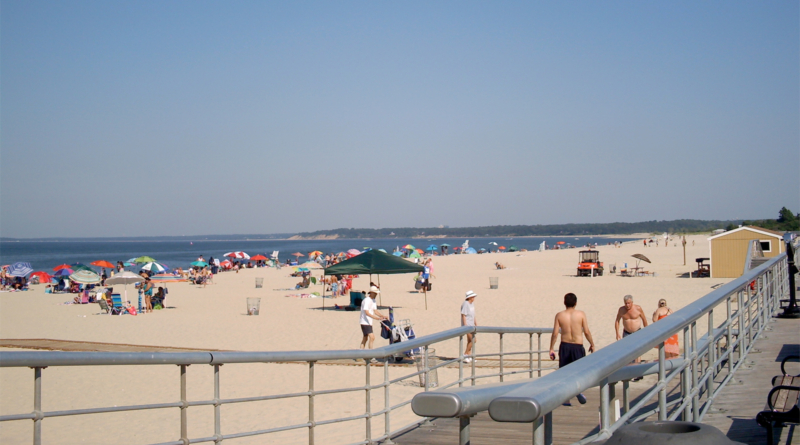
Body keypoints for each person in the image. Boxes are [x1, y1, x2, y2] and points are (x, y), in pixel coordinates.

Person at [549, 292, 595, 405]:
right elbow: (587, 331)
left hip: (565, 345)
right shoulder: (581, 314)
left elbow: (555, 333)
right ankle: (578, 391)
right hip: (577, 346)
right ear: (576, 303)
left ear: (564, 303)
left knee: (564, 372)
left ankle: (566, 398)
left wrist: (551, 348)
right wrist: (592, 344)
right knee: (578, 371)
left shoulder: (559, 315)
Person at [615, 295, 649, 363]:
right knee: (628, 351)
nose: (627, 305)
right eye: (626, 303)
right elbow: (617, 321)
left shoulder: (638, 308)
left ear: (632, 302)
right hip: (627, 333)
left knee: (638, 351)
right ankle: (631, 367)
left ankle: (637, 366)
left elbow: (644, 320)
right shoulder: (621, 310)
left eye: (629, 303)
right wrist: (617, 333)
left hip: (637, 332)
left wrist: (647, 331)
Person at [359, 286, 388, 357]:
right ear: (371, 293)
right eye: (375, 293)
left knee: (365, 338)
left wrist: (382, 316)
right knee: (372, 337)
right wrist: (376, 318)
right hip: (364, 322)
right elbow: (367, 312)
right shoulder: (366, 300)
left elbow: (375, 311)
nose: (376, 295)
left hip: (369, 322)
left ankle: (360, 354)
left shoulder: (373, 300)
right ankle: (371, 355)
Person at [461, 291, 478, 362]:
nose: (474, 298)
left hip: (472, 324)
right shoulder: (465, 304)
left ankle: (469, 354)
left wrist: (475, 323)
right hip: (467, 325)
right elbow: (463, 315)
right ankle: (465, 354)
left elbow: (473, 315)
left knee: (469, 341)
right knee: (473, 340)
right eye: (473, 297)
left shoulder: (472, 304)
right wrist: (465, 325)